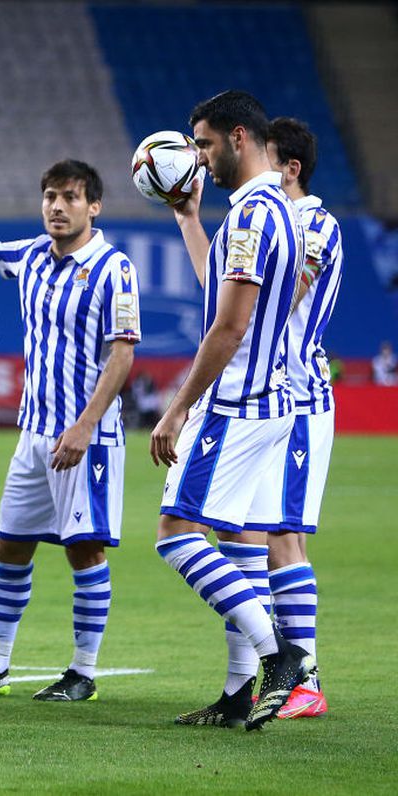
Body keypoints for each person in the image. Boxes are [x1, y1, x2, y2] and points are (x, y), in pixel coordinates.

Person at [0, 160, 141, 703]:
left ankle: (83, 672)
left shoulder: (114, 268)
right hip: (34, 435)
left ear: (93, 206)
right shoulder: (31, 256)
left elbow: (121, 357)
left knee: (85, 550)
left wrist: (85, 424)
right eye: (50, 195)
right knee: (10, 545)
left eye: (70, 197)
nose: (57, 206)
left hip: (85, 436)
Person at [152, 90, 314, 731]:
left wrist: (176, 408)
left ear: (239, 138)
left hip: (237, 403)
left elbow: (228, 327)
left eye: (205, 144)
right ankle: (239, 689)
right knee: (240, 547)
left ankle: (281, 655)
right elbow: (222, 291)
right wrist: (189, 218)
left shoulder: (250, 217)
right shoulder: (272, 209)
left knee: (176, 536)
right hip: (273, 400)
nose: (198, 157)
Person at [253, 117, 342, 720]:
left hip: (300, 396)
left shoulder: (314, 223)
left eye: (266, 159)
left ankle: (305, 675)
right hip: (270, 396)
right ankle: (280, 673)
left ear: (290, 168)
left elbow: (282, 295)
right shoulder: (274, 220)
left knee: (285, 535)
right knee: (259, 539)